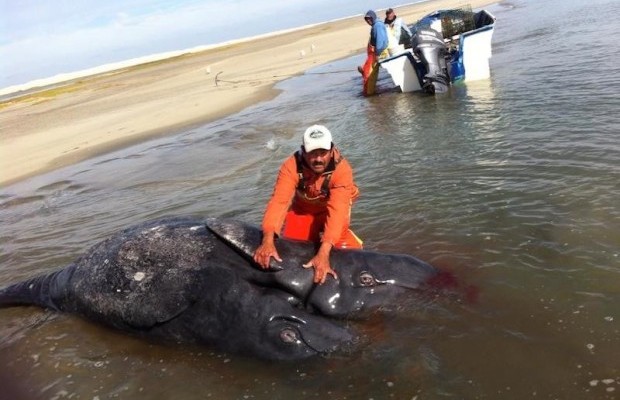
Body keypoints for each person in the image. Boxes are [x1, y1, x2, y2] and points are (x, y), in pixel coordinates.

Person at [253, 125, 362, 284]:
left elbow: (337, 212)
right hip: (303, 210)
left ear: (332, 150)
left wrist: (324, 252)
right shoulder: (291, 166)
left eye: (323, 153)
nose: (318, 159)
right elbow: (279, 202)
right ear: (303, 151)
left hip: (332, 209)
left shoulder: (342, 170)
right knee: (292, 253)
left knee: (350, 257)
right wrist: (267, 240)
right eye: (312, 153)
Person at [359, 10, 389, 96]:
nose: (368, 21)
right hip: (373, 54)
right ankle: (363, 72)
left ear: (373, 17)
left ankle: (368, 93)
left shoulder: (377, 26)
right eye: (366, 20)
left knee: (369, 74)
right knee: (369, 71)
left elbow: (380, 41)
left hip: (377, 53)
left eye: (369, 19)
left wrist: (377, 54)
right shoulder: (376, 25)